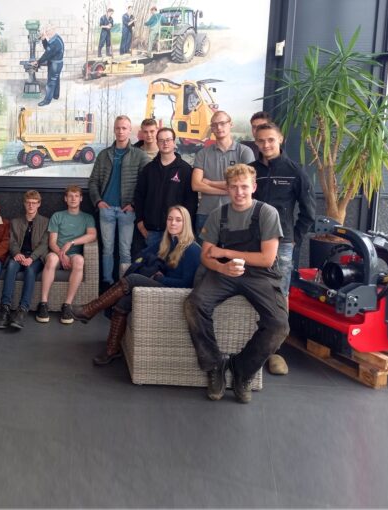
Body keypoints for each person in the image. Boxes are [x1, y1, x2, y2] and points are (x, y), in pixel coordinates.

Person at [184, 164, 289, 404]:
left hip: (260, 275)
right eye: (233, 187)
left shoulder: (267, 213)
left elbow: (267, 259)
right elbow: (206, 256)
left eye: (244, 187)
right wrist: (222, 267)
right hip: (225, 273)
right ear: (227, 189)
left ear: (254, 187)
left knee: (279, 325)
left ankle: (242, 369)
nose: (239, 192)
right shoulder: (218, 215)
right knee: (194, 304)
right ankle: (214, 365)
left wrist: (225, 253)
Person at [73, 205, 201, 365]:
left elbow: (187, 284)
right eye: (170, 219)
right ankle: (111, 350)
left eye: (178, 220)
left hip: (173, 294)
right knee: (123, 301)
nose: (173, 223)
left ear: (185, 223)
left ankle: (89, 310)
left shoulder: (192, 249)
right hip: (160, 285)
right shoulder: (168, 242)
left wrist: (161, 279)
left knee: (133, 279)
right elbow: (142, 255)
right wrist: (148, 263)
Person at [251, 122, 315, 376]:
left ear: (280, 139)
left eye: (270, 140)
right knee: (251, 289)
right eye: (261, 141)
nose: (266, 145)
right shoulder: (252, 171)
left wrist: (293, 238)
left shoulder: (295, 171)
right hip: (251, 242)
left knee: (280, 295)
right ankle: (250, 344)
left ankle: (275, 351)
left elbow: (309, 212)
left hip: (282, 244)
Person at [88, 115, 150, 285]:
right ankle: (107, 283)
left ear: (130, 131)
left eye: (124, 128)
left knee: (125, 251)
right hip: (106, 209)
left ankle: (125, 285)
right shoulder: (104, 154)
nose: (121, 131)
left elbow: (147, 184)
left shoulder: (139, 155)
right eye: (118, 128)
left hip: (127, 211)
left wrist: (134, 205)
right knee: (107, 250)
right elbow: (93, 181)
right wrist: (98, 202)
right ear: (114, 130)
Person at [36, 185, 97, 325]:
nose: (73, 199)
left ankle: (67, 305)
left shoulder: (87, 218)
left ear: (81, 198)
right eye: (70, 196)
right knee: (51, 259)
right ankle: (43, 303)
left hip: (74, 254)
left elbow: (92, 235)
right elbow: (52, 242)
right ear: (65, 199)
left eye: (76, 196)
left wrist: (71, 242)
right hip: (57, 253)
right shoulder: (58, 216)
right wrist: (61, 254)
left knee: (80, 261)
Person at [191, 110, 255, 243]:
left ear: (230, 124)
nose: (218, 127)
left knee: (233, 254)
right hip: (206, 214)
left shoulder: (244, 152)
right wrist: (227, 190)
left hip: (236, 213)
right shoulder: (202, 153)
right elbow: (196, 185)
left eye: (222, 123)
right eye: (214, 125)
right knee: (205, 254)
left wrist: (209, 183)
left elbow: (245, 184)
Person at [135, 128, 198, 249]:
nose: (165, 143)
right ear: (157, 143)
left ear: (174, 142)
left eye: (168, 140)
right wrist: (139, 221)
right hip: (151, 231)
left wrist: (185, 226)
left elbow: (191, 201)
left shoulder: (185, 170)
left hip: (176, 231)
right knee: (152, 261)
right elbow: (139, 196)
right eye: (161, 140)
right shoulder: (148, 169)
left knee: (174, 261)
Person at [0, 190, 49, 330]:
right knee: (11, 266)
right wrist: (17, 253)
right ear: (24, 204)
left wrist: (32, 258)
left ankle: (22, 310)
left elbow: (44, 244)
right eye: (28, 203)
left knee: (30, 270)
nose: (31, 206)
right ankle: (5, 308)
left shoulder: (45, 222)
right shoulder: (15, 222)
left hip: (36, 258)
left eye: (34, 203)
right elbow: (12, 241)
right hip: (19, 255)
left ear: (39, 204)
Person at [33, 26, 64, 107]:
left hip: (55, 64)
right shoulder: (56, 38)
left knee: (51, 82)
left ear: (53, 30)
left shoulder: (55, 42)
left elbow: (47, 54)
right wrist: (43, 40)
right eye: (46, 31)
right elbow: (48, 48)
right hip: (57, 63)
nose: (46, 32)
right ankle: (55, 95)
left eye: (48, 31)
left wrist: (38, 62)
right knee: (56, 80)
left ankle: (47, 101)